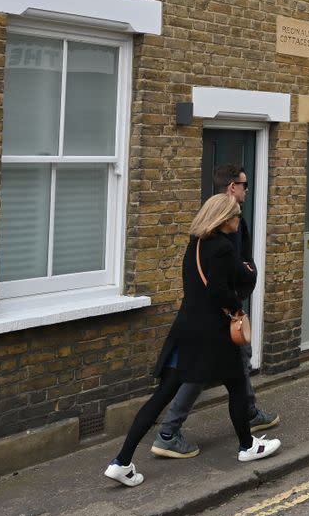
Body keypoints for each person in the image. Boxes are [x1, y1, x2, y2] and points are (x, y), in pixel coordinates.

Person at [104, 195, 281, 486]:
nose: (239, 221)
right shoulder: (223, 249)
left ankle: (122, 461)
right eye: (236, 216)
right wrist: (236, 306)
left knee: (162, 396)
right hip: (212, 334)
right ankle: (248, 446)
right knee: (237, 384)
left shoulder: (195, 244)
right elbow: (218, 293)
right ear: (224, 218)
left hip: (186, 330)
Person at [151, 164, 278, 459]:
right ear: (232, 187)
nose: (247, 190)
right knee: (201, 372)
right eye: (244, 185)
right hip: (218, 313)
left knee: (235, 363)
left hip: (212, 310)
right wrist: (237, 299)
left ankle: (246, 412)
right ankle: (169, 431)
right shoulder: (225, 223)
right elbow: (232, 269)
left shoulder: (211, 223)